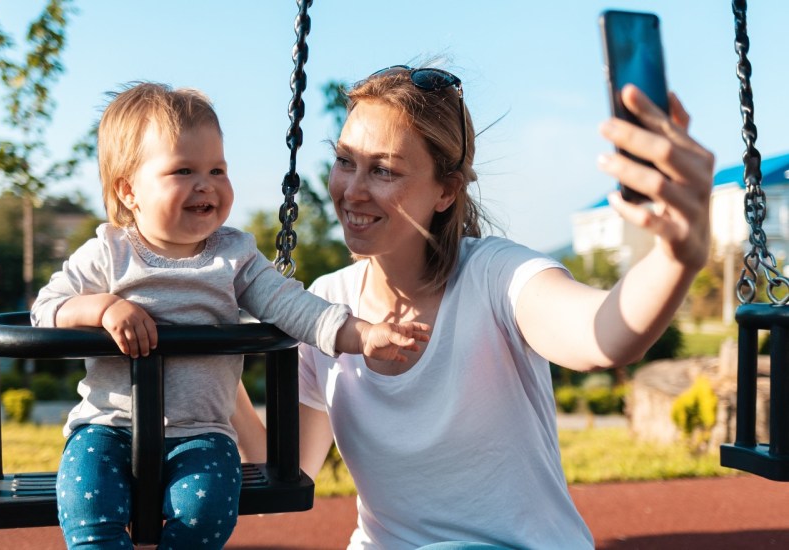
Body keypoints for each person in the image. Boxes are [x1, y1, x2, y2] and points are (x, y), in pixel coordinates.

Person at [232, 64, 714, 549]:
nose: (352, 190)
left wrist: (675, 258)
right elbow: (286, 468)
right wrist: (206, 346)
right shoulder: (327, 305)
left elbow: (603, 333)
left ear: (446, 191)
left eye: (383, 170)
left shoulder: (495, 277)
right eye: (344, 161)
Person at [30, 82, 429, 550]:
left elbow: (292, 305)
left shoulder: (234, 256)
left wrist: (362, 334)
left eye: (217, 169)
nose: (207, 184)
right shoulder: (107, 254)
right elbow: (46, 310)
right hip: (108, 425)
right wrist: (102, 307)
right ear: (128, 190)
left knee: (206, 511)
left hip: (202, 433)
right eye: (184, 170)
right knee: (85, 502)